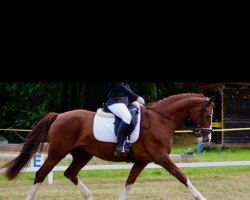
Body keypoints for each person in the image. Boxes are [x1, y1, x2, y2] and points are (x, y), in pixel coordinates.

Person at [105, 82, 145, 157]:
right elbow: (123, 89)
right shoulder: (119, 83)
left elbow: (129, 93)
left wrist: (136, 101)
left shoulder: (126, 83)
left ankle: (128, 140)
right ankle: (119, 147)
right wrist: (137, 98)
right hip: (114, 103)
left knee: (135, 113)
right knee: (127, 117)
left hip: (125, 104)